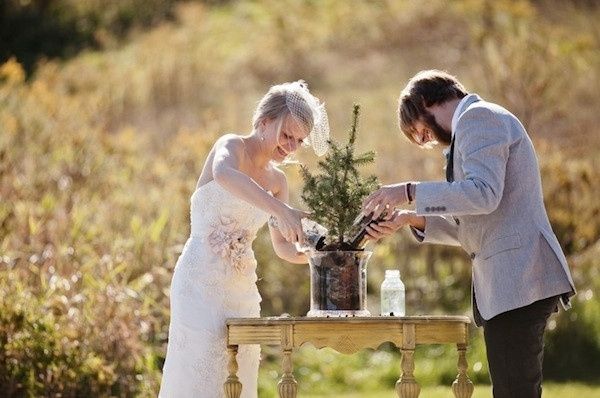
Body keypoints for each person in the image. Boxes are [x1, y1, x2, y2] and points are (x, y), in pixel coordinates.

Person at [362, 70, 576, 398]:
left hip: (518, 277)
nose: (426, 142)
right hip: (511, 282)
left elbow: (482, 194)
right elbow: (472, 225)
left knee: (514, 391)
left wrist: (408, 191)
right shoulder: (474, 127)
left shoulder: (478, 118)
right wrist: (410, 219)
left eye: (421, 132)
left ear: (426, 102)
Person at [159, 81, 329, 397]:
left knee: (238, 380)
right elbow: (224, 175)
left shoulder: (278, 181)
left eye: (299, 140)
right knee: (199, 375)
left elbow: (283, 247)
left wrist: (322, 254)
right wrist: (281, 208)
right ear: (264, 122)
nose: (291, 146)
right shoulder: (231, 147)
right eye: (286, 134)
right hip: (199, 284)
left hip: (242, 292)